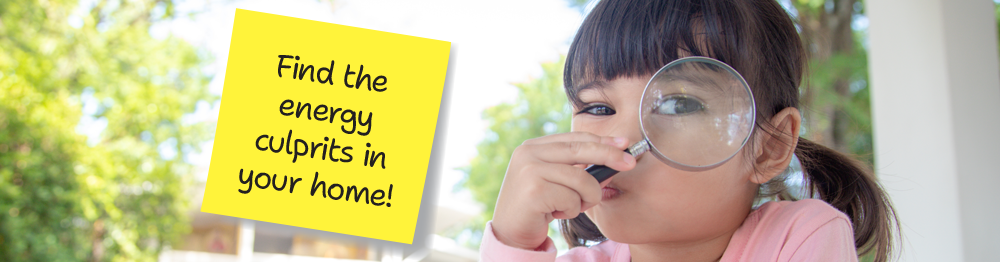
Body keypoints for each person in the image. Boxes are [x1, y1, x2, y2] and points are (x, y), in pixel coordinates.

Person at [479, 0, 900, 261]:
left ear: (768, 147)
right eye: (598, 107)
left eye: (679, 104)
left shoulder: (801, 236)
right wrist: (514, 243)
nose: (620, 139)